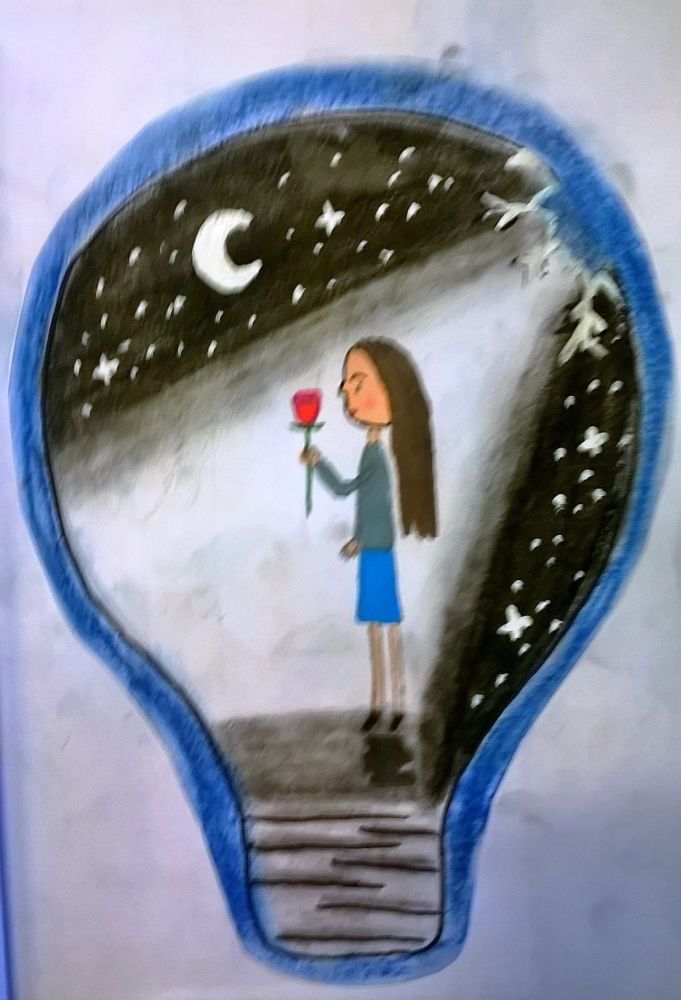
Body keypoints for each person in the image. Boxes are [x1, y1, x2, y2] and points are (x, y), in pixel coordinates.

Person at [300, 337, 437, 733]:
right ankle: (381, 702)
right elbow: (365, 501)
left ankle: (395, 701)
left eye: (357, 384)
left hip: (378, 551)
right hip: (373, 550)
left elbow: (359, 496)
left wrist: (318, 464)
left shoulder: (376, 455)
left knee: (386, 628)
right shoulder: (373, 451)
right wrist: (359, 539)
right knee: (378, 628)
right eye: (347, 387)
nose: (346, 394)